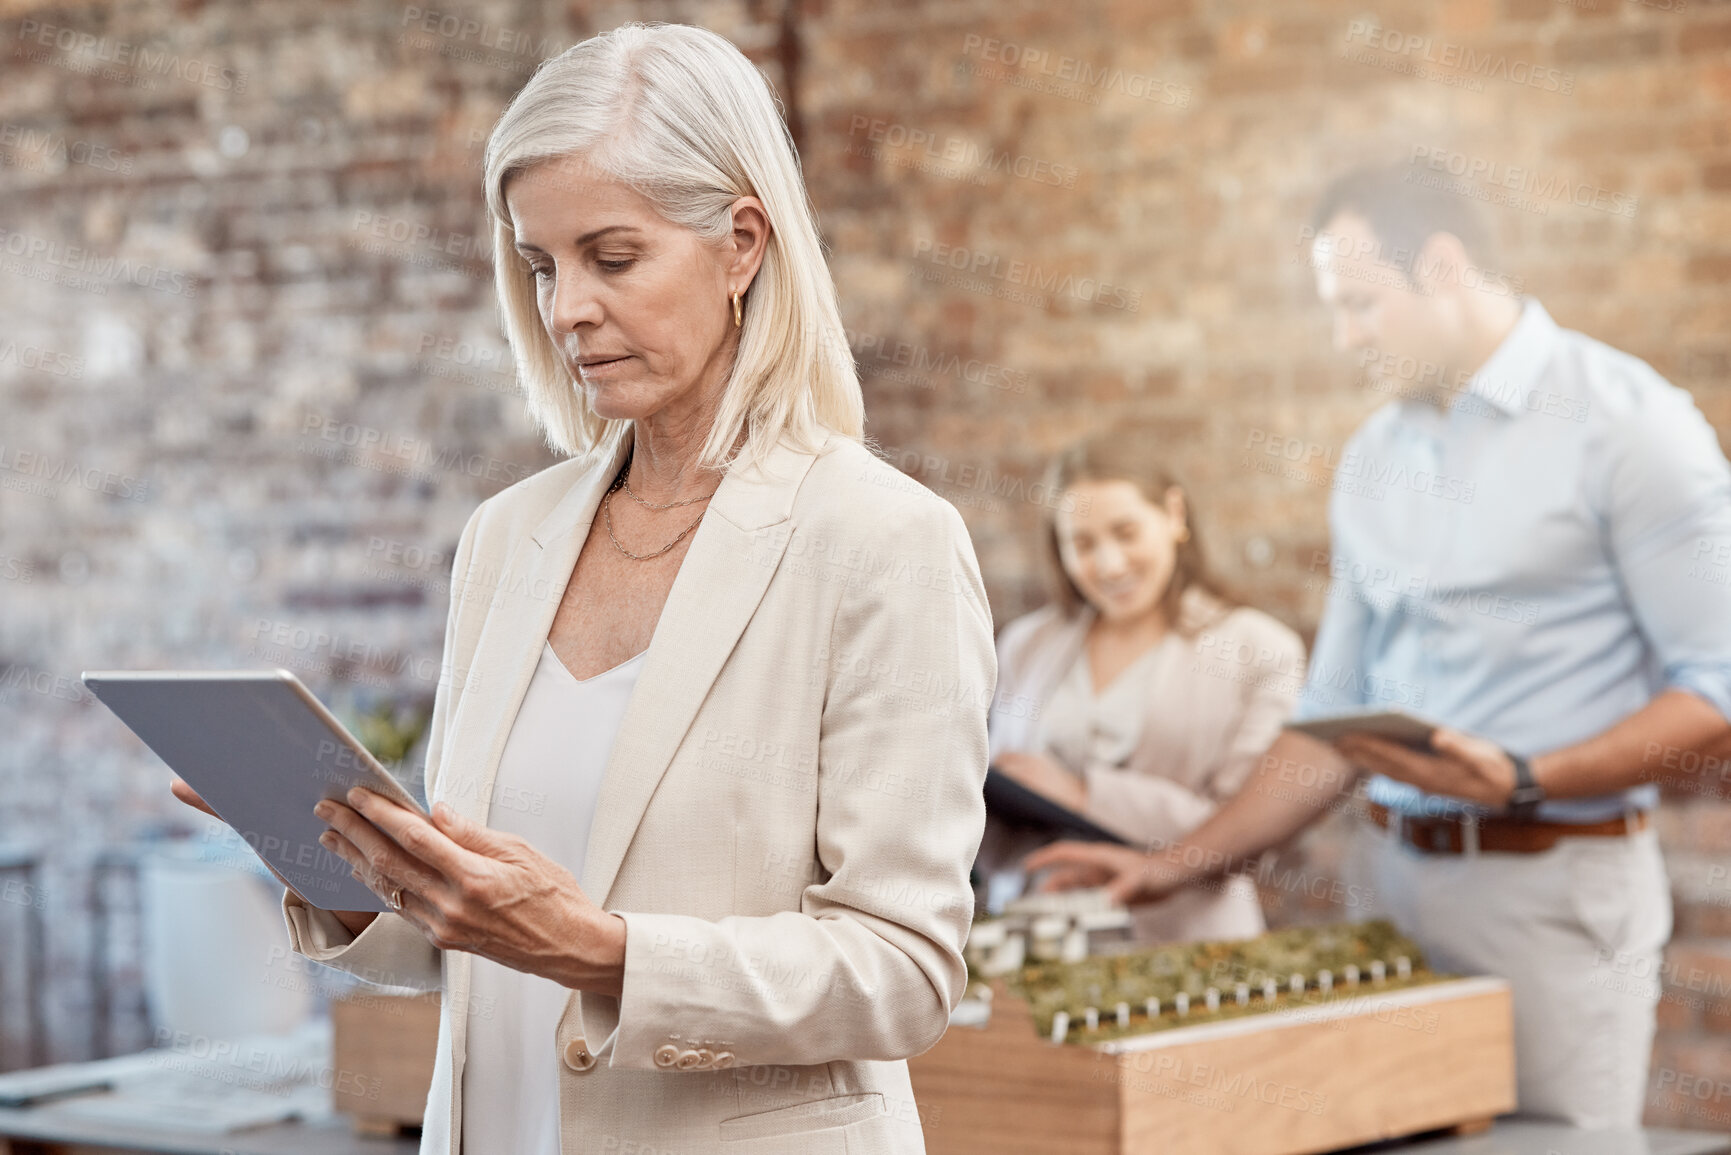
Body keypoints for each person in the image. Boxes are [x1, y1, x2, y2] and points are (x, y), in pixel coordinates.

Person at [175, 23, 995, 1155]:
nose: (566, 310)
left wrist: (603, 952)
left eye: (612, 259)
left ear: (742, 244)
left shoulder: (882, 541)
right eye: (540, 265)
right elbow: (467, 939)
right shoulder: (507, 539)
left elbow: (903, 975)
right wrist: (340, 861)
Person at [1024, 163, 1731, 1129]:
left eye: (1359, 304)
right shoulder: (1373, 457)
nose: (1344, 337)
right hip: (1389, 891)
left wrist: (1525, 775)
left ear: (1441, 267)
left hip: (1554, 898)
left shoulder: (1632, 427)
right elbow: (1329, 724)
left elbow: (1718, 690)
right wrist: (1174, 863)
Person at [977, 432, 1305, 943]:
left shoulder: (1259, 651)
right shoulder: (1026, 645)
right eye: (1082, 544)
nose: (1109, 565)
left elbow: (1246, 828)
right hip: (1037, 941)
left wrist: (1083, 796)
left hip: (1185, 943)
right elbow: (990, 814)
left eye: (1126, 532)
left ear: (1175, 516)